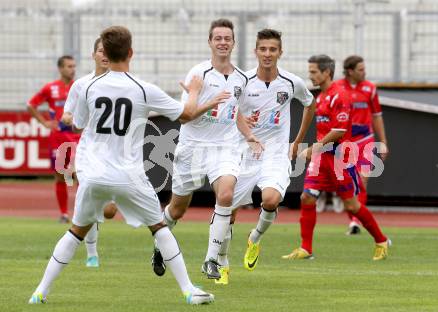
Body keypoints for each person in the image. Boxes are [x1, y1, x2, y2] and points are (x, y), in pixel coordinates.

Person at [28, 25, 229, 305]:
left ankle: (40, 292)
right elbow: (186, 114)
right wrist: (195, 91)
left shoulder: (86, 86)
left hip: (94, 174)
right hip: (128, 174)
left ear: (105, 54)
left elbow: (80, 123)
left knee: (75, 232)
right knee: (159, 227)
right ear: (131, 53)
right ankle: (188, 291)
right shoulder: (143, 89)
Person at [211, 29, 316, 285]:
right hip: (243, 154)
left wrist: (298, 140)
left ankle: (254, 239)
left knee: (271, 199)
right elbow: (228, 110)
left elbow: (310, 104)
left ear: (280, 52)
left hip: (276, 154)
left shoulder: (292, 82)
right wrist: (242, 122)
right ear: (255, 52)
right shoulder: (242, 80)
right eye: (263, 49)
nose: (267, 54)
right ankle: (223, 263)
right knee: (228, 212)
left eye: (272, 49)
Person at [151, 18, 250, 280]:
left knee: (227, 195)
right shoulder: (199, 74)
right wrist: (210, 102)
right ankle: (160, 245)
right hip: (193, 147)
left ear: (233, 42)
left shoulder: (241, 77)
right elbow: (184, 116)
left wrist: (249, 133)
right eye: (217, 38)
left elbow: (235, 110)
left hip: (225, 147)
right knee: (177, 209)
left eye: (227, 38)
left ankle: (211, 260)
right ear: (209, 42)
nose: (222, 42)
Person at [282, 54, 390, 261]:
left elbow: (339, 130)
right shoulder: (321, 97)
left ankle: (381, 240)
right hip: (322, 159)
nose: (310, 75)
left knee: (351, 205)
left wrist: (313, 148)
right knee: (306, 197)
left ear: (326, 72)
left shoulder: (340, 95)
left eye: (313, 72)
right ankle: (306, 248)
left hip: (341, 158)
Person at [62, 37, 118, 268]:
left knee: (109, 210)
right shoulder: (81, 85)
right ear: (93, 54)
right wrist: (74, 120)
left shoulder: (121, 85)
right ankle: (91, 254)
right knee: (91, 198)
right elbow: (67, 115)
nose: (104, 55)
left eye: (108, 51)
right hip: (89, 152)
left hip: (116, 153)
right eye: (100, 51)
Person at [336, 55, 389, 235]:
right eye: (360, 69)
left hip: (365, 140)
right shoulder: (337, 88)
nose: (364, 72)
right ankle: (353, 218)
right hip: (345, 142)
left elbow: (377, 116)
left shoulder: (370, 88)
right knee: (348, 183)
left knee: (363, 181)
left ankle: (355, 222)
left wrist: (383, 142)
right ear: (350, 71)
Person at [27, 55, 78, 223]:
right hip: (58, 139)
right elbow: (31, 105)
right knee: (60, 176)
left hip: (77, 138)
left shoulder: (79, 87)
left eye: (74, 66)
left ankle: (81, 214)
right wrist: (44, 122)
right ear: (61, 68)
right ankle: (64, 214)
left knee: (80, 175)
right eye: (69, 66)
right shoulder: (51, 88)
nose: (72, 69)